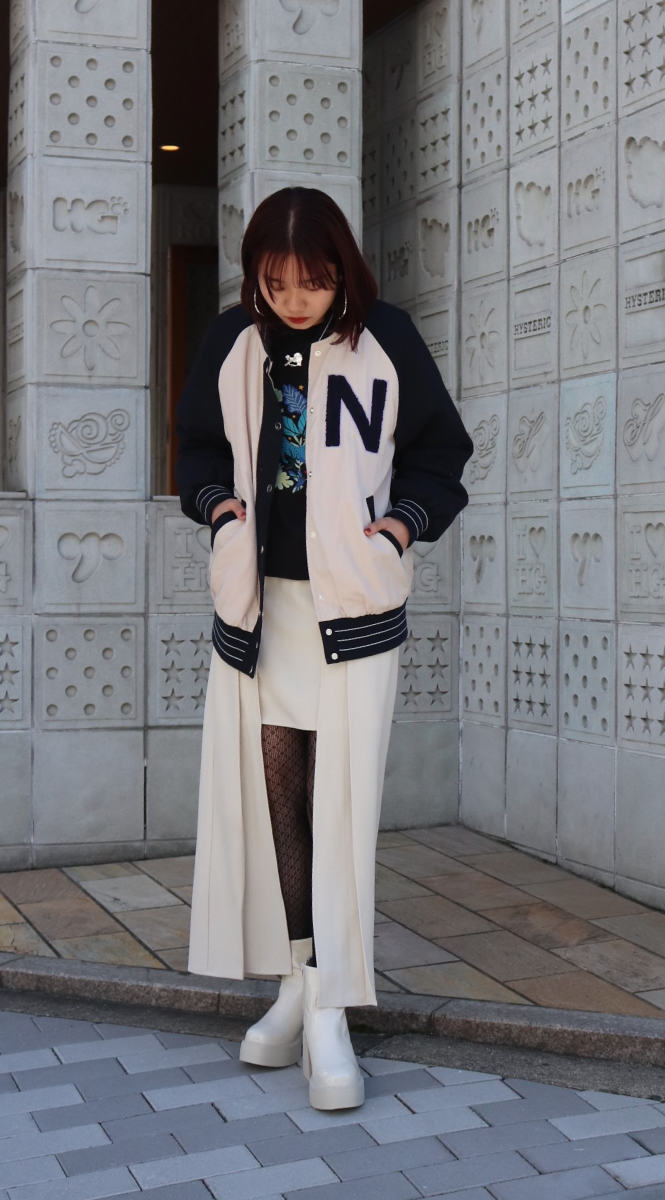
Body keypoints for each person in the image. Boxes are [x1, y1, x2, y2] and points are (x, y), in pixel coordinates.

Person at [176, 187, 472, 1111]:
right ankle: (298, 988)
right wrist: (222, 513)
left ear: (342, 268)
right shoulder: (233, 342)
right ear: (255, 279)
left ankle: (333, 1010)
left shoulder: (387, 338)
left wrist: (399, 528)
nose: (294, 300)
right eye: (276, 283)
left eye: (310, 281)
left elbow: (441, 455)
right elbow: (195, 452)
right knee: (282, 810)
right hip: (263, 615)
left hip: (352, 615)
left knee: (340, 813)